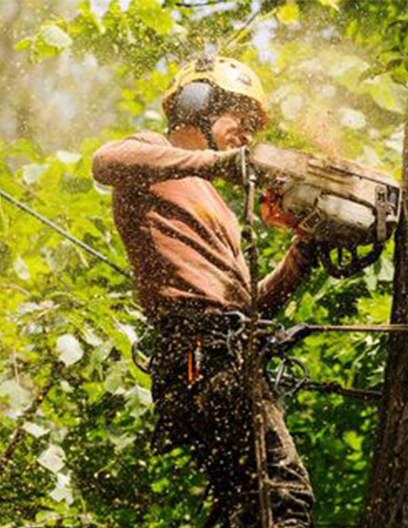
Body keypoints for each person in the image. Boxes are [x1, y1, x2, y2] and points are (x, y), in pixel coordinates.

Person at [92, 55, 316, 527]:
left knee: (247, 502)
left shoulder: (217, 205)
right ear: (197, 106)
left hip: (225, 348)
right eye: (243, 119)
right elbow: (105, 160)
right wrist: (220, 162)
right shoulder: (149, 155)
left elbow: (249, 301)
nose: (249, 135)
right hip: (199, 348)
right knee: (281, 494)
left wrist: (304, 249)